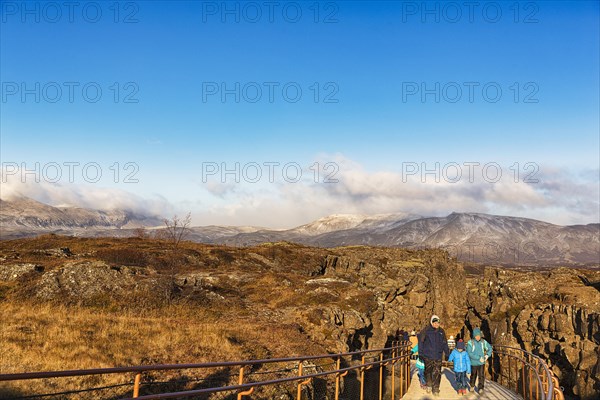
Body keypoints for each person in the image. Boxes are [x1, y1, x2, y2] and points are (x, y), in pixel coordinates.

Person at [418, 315, 450, 396]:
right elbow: (421, 342)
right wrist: (420, 353)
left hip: (438, 356)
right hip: (427, 355)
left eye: (438, 323)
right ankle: (429, 384)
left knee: (437, 373)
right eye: (435, 322)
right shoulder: (425, 331)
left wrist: (447, 353)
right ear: (431, 322)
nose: (436, 324)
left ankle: (435, 389)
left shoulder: (441, 332)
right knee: (428, 371)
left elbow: (444, 343)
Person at [467, 327, 493, 394]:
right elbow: (469, 353)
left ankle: (480, 388)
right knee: (473, 375)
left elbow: (490, 348)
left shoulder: (483, 342)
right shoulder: (470, 343)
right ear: (474, 336)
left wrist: (487, 355)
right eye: (476, 336)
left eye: (479, 335)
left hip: (481, 362)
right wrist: (479, 358)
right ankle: (472, 385)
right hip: (473, 363)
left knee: (481, 375)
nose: (478, 337)